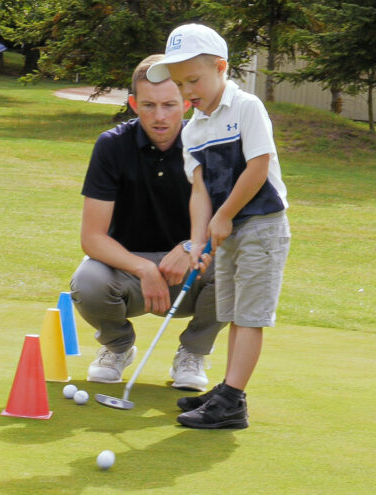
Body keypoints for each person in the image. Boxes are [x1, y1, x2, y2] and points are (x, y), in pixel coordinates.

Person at [146, 23, 291, 429]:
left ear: (221, 67)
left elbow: (258, 168)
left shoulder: (246, 107)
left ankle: (232, 400)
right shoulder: (192, 130)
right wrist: (196, 242)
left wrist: (224, 216)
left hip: (262, 226)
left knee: (249, 315)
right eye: (179, 83)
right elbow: (199, 191)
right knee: (231, 311)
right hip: (227, 233)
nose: (186, 90)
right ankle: (230, 389)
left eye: (193, 79)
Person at [70, 54, 227, 392]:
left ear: (186, 103)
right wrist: (144, 268)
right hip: (128, 274)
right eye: (149, 105)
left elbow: (227, 224)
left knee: (237, 269)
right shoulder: (111, 146)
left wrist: (190, 246)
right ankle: (118, 347)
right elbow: (92, 238)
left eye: (170, 104)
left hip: (189, 270)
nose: (160, 116)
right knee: (87, 281)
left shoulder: (207, 144)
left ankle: (193, 352)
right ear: (132, 103)